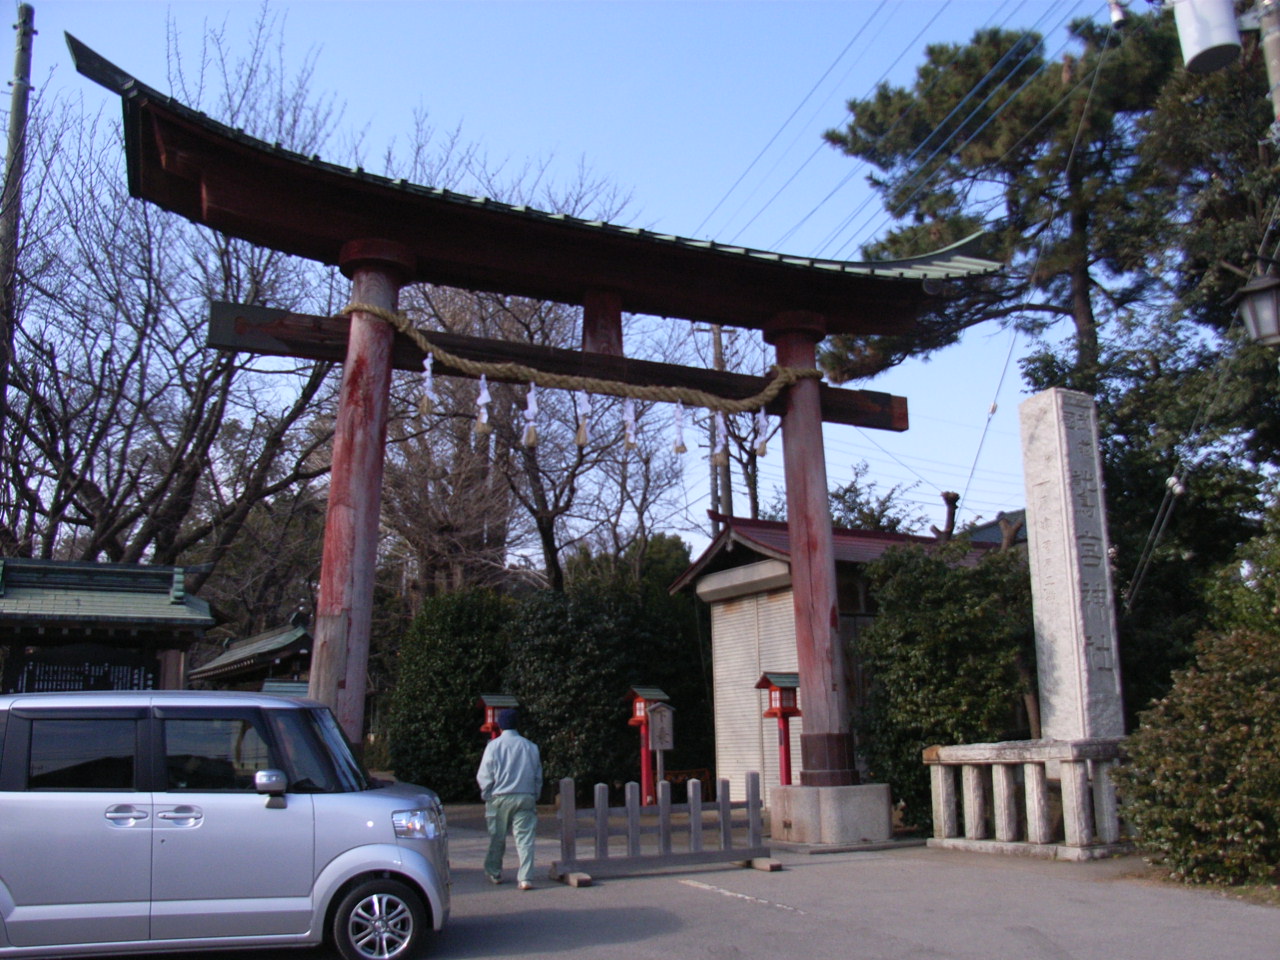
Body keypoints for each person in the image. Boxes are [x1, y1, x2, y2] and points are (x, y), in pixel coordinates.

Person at [476, 707, 543, 890]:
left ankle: (494, 872)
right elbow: (537, 774)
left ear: (500, 724)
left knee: (497, 837)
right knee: (525, 839)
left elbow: (485, 774)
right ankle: (525, 877)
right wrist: (535, 793)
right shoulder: (530, 746)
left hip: (500, 796)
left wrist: (487, 793)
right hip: (525, 795)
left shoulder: (494, 746)